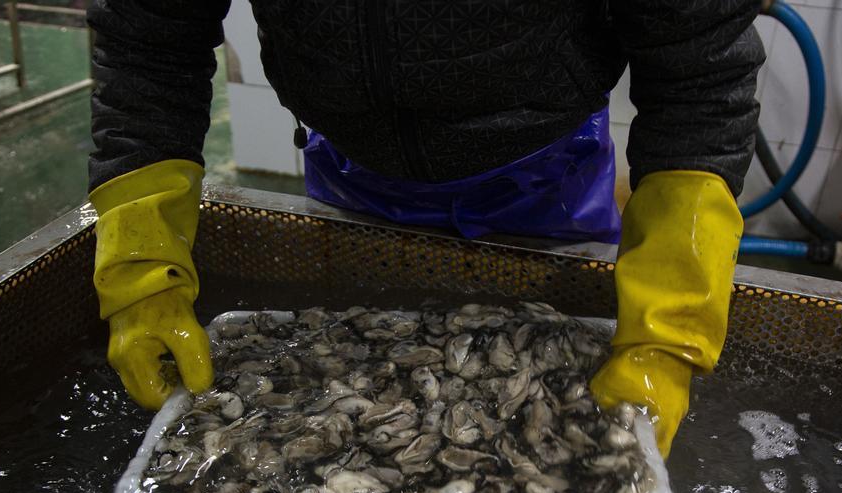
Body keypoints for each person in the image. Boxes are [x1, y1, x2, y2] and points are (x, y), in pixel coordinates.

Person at [87, 0, 762, 457]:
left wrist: (668, 335)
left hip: (543, 179)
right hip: (347, 172)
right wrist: (142, 265)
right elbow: (149, 42)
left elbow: (700, 76)